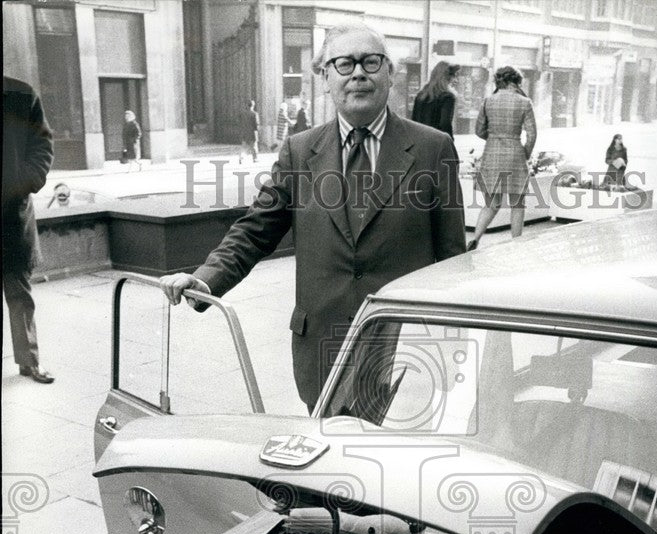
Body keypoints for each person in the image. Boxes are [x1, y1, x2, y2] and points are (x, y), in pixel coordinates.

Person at [160, 22, 465, 411]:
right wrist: (204, 280)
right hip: (321, 349)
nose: (358, 73)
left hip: (405, 354)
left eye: (370, 62)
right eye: (344, 63)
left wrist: (454, 346)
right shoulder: (299, 151)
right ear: (325, 78)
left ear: (389, 73)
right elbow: (255, 230)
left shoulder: (433, 149)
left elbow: (453, 260)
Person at [2, 76, 55, 383]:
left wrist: (22, 183)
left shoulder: (20, 94)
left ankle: (29, 362)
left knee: (20, 295)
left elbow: (43, 145)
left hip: (11, 216)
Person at [468, 66, 536, 249]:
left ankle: (475, 239)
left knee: (491, 204)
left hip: (491, 154)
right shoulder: (524, 102)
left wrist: (494, 139)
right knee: (517, 204)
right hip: (515, 154)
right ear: (515, 81)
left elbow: (479, 130)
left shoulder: (488, 101)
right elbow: (532, 134)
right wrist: (525, 153)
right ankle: (516, 244)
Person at [411, 61, 460, 136]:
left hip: (419, 140)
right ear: (447, 77)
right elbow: (445, 124)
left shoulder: (421, 95)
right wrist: (450, 143)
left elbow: (413, 122)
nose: (455, 80)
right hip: (437, 142)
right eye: (453, 76)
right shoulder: (447, 97)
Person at [239, 99, 260, 164]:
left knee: (244, 146)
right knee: (254, 146)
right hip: (252, 132)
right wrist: (258, 130)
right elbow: (256, 124)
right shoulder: (255, 114)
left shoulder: (243, 114)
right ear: (253, 105)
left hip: (245, 132)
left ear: (247, 105)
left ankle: (241, 157)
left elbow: (240, 122)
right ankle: (255, 158)